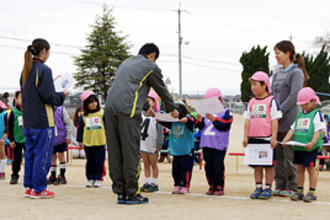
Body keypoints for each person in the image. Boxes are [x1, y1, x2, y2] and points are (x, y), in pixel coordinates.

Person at [105, 43, 179, 205]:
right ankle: (132, 192)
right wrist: (172, 108)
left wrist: (146, 108)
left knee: (115, 152)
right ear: (152, 55)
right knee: (131, 151)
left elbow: (130, 88)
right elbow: (161, 89)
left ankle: (121, 192)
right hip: (128, 112)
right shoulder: (150, 66)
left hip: (109, 109)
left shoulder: (126, 63)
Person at [20, 38, 67, 199]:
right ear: (44, 51)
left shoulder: (26, 69)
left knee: (31, 154)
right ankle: (39, 189)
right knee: (43, 154)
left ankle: (30, 186)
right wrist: (62, 95)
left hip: (28, 121)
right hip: (43, 121)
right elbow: (48, 97)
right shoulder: (44, 70)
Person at [271, 40, 308, 197]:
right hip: (276, 122)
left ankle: (293, 185)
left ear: (288, 53)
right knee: (278, 156)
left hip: (290, 120)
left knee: (289, 156)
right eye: (275, 54)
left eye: (278, 53)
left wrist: (279, 111)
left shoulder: (296, 73)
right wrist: (273, 112)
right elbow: (273, 94)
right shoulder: (277, 73)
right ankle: (280, 184)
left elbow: (294, 96)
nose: (276, 57)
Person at [242, 71, 282, 200]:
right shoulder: (252, 102)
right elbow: (247, 120)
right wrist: (245, 136)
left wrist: (274, 137)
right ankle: (258, 186)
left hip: (267, 138)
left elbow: (275, 120)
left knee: (268, 165)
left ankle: (268, 187)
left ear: (264, 85)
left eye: (255, 84)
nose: (253, 87)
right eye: (251, 85)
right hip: (253, 138)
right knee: (256, 164)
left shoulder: (272, 101)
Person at [282, 87, 325, 203]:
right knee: (300, 169)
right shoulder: (300, 114)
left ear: (313, 101)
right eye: (301, 104)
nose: (303, 106)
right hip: (298, 147)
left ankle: (312, 192)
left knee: (311, 169)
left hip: (310, 148)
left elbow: (319, 130)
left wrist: (312, 143)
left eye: (305, 104)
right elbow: (292, 128)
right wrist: (286, 139)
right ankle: (299, 191)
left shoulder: (317, 114)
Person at [196, 88, 233, 196]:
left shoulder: (226, 112)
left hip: (219, 144)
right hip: (207, 143)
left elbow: (225, 125)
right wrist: (199, 121)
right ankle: (211, 185)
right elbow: (201, 127)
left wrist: (214, 120)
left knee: (218, 165)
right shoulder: (205, 112)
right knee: (208, 166)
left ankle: (219, 185)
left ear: (220, 99)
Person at [159, 103, 196, 194]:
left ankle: (185, 185)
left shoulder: (188, 120)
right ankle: (177, 184)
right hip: (176, 150)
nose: (172, 113)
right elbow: (163, 120)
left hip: (186, 150)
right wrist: (158, 119)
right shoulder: (172, 122)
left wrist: (186, 120)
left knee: (186, 169)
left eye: (174, 111)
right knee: (175, 169)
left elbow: (192, 121)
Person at [77, 91, 106, 188]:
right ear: (86, 105)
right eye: (90, 102)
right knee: (90, 161)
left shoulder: (102, 113)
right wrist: (80, 140)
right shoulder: (84, 116)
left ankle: (98, 178)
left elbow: (107, 127)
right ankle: (90, 178)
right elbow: (80, 129)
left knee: (99, 161)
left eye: (95, 101)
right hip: (88, 142)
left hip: (100, 142)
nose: (93, 104)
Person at [140, 91, 163, 193]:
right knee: (145, 163)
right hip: (143, 143)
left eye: (148, 101)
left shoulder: (158, 116)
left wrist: (159, 144)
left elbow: (160, 131)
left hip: (152, 144)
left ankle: (155, 182)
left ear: (154, 102)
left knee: (153, 164)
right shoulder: (141, 115)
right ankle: (147, 182)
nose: (146, 103)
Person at [47, 105, 73, 185]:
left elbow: (68, 124)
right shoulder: (46, 109)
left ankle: (62, 176)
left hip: (61, 138)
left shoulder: (61, 110)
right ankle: (53, 176)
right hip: (50, 138)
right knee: (52, 158)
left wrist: (68, 136)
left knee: (61, 157)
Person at [7, 89, 25, 184]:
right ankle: (14, 175)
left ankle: (29, 176)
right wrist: (11, 140)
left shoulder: (29, 110)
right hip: (17, 140)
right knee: (17, 159)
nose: (23, 99)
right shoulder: (13, 112)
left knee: (30, 158)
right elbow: (9, 127)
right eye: (21, 97)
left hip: (28, 139)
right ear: (16, 99)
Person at [0, 101, 8, 180]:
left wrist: (4, 137)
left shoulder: (4, 114)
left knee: (2, 154)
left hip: (2, 136)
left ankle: (2, 172)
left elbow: (7, 126)